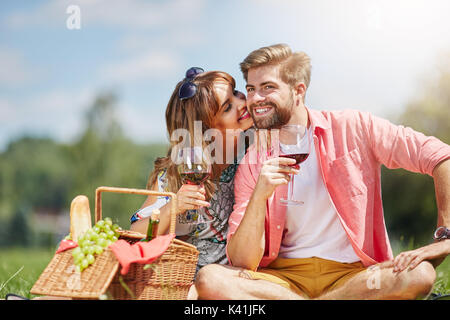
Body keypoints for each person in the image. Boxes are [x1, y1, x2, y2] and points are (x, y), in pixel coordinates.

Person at [194, 44, 450, 300]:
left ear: (298, 91)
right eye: (251, 89)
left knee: (420, 275)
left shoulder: (354, 127)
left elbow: (441, 156)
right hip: (283, 281)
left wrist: (444, 238)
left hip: (354, 277)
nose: (255, 99)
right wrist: (260, 196)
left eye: (267, 87)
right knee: (210, 279)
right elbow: (242, 262)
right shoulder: (254, 161)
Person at [130, 68, 253, 275]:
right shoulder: (178, 174)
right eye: (227, 107)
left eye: (236, 92)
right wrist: (173, 207)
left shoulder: (255, 144)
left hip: (240, 276)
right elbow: (135, 235)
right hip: (189, 282)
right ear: (207, 129)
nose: (242, 103)